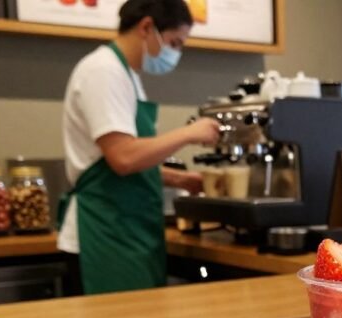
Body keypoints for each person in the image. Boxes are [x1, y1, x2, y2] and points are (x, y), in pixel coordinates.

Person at [58, 0, 221, 295]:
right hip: (105, 232)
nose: (176, 53)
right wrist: (189, 133)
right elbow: (123, 157)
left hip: (129, 230)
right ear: (147, 27)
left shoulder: (127, 76)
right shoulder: (103, 71)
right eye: (174, 42)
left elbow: (120, 160)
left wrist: (179, 179)